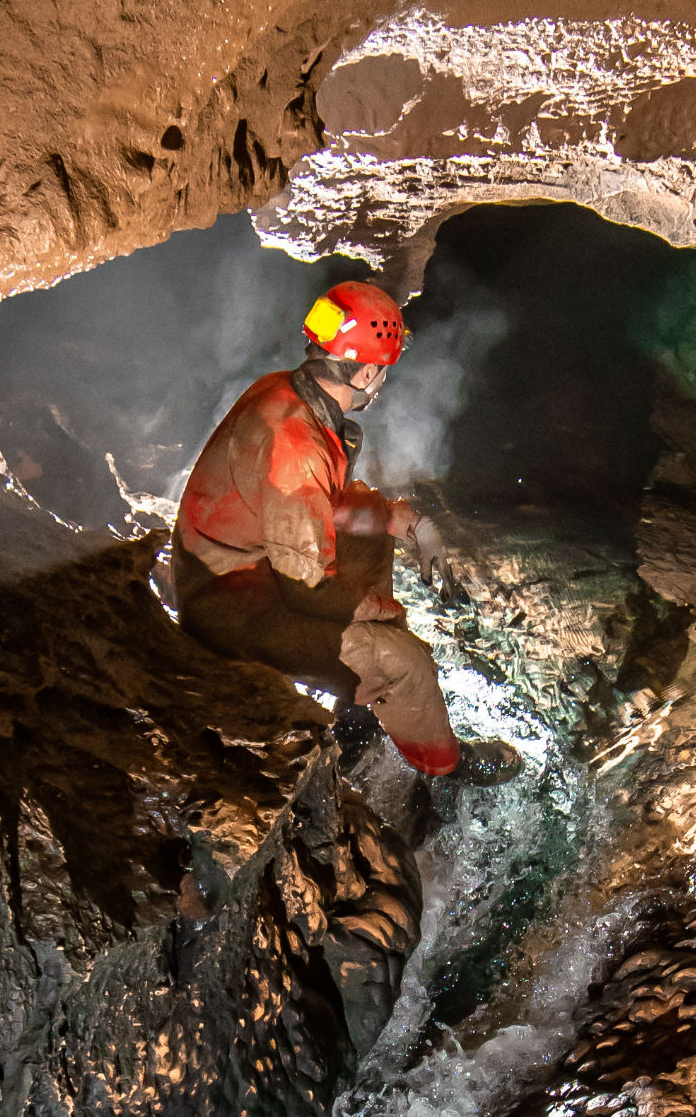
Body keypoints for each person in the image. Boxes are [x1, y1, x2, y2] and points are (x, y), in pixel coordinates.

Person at [172, 281, 520, 783]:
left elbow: (322, 505)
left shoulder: (286, 393)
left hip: (240, 568)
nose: (382, 383)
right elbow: (307, 586)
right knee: (406, 662)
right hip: (228, 608)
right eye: (384, 372)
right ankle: (447, 765)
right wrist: (384, 616)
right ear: (367, 370)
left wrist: (406, 521)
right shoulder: (296, 445)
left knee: (371, 540)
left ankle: (356, 706)